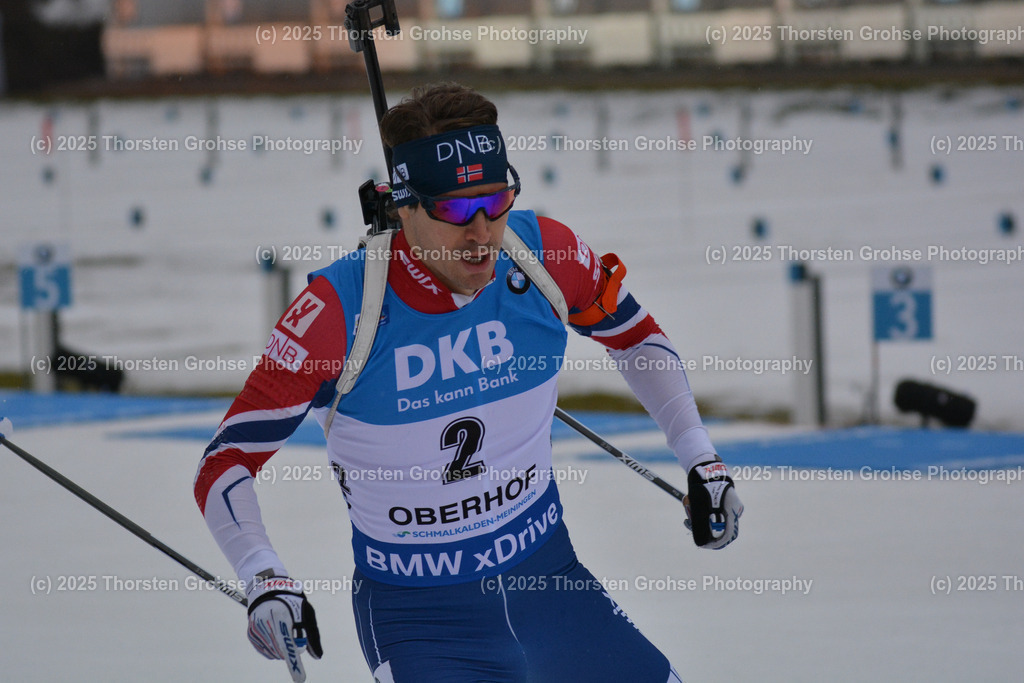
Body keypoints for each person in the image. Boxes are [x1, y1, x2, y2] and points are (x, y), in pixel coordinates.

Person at [194, 82, 743, 683]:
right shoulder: (340, 309)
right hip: (423, 622)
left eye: (496, 200)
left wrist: (701, 458)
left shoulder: (545, 256)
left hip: (553, 590)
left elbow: (636, 338)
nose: (482, 232)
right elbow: (225, 461)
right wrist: (263, 575)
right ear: (404, 206)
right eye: (456, 210)